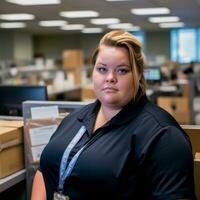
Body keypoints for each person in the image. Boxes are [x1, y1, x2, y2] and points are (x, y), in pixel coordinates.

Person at [31, 30, 196, 200]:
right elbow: (45, 170)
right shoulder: (74, 119)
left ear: (138, 74)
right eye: (102, 69)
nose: (110, 77)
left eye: (122, 71)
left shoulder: (162, 135)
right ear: (92, 72)